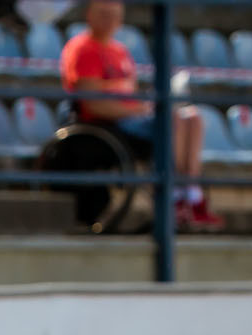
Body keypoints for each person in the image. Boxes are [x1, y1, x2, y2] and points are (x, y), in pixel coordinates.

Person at [63, 0, 221, 232]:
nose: (109, 20)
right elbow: (94, 104)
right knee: (172, 119)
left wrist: (140, 106)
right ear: (89, 15)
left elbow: (129, 93)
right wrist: (136, 108)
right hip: (108, 124)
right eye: (103, 14)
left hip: (135, 116)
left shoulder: (120, 51)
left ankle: (192, 194)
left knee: (192, 117)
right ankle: (175, 194)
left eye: (113, 15)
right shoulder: (82, 48)